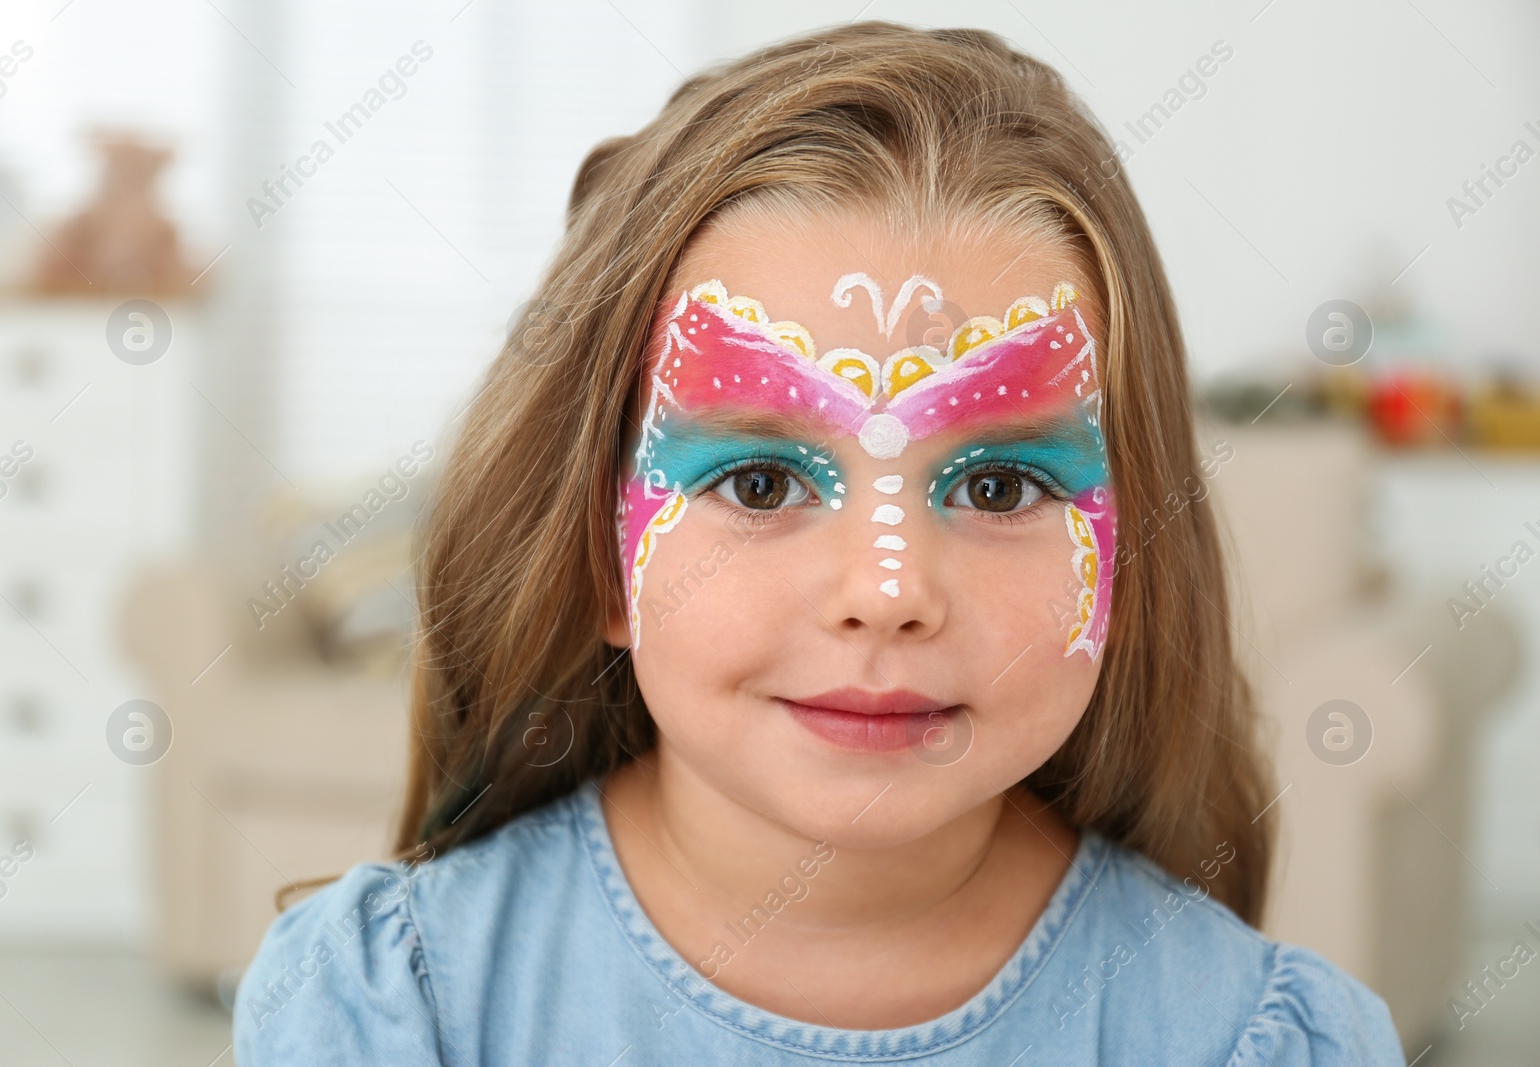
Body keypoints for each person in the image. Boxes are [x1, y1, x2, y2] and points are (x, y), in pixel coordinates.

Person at [233, 21, 1406, 1065]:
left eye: (999, 483)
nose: (885, 592)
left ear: (1133, 551)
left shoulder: (1251, 1035)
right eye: (758, 476)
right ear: (601, 551)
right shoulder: (392, 1007)